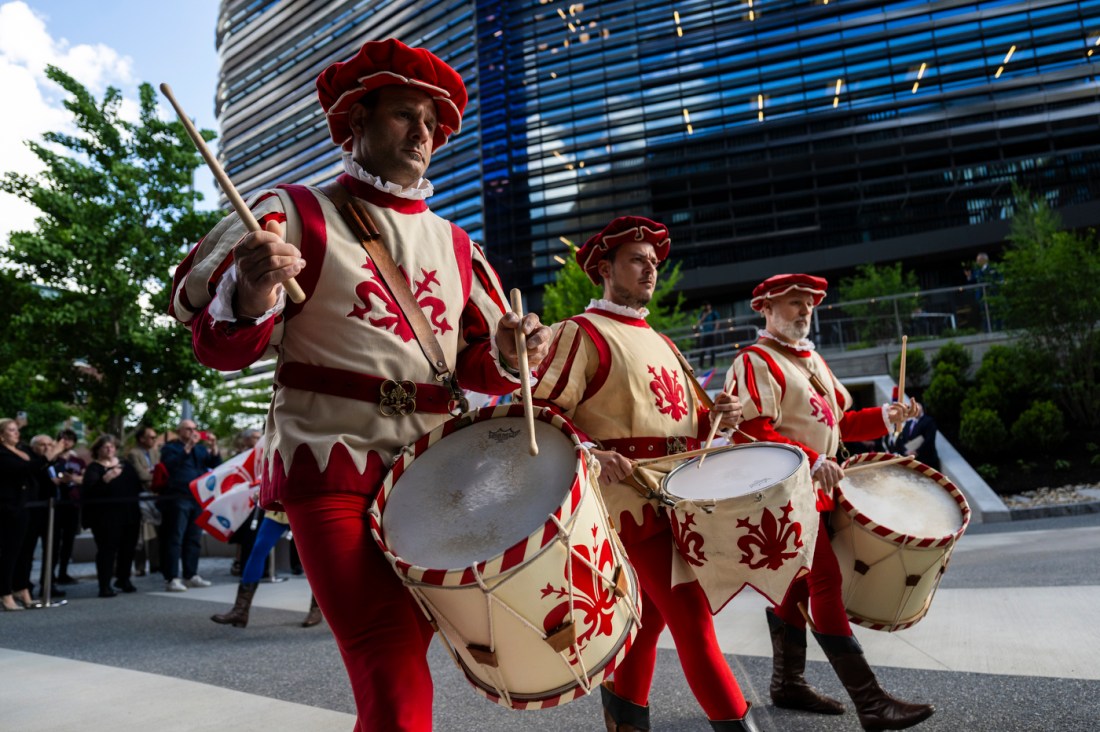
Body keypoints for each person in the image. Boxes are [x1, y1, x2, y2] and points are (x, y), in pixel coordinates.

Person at [167, 38, 550, 731]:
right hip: (328, 459)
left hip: (436, 474)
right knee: (390, 661)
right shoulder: (295, 212)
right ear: (356, 124)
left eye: (433, 124)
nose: (424, 134)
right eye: (406, 115)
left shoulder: (458, 244)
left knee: (403, 667)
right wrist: (251, 294)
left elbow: (478, 369)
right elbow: (217, 343)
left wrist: (508, 349)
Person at [531, 216, 758, 731]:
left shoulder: (662, 340)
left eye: (654, 262)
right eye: (638, 260)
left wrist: (718, 415)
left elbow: (688, 423)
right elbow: (542, 413)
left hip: (677, 496)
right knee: (694, 625)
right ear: (605, 269)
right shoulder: (579, 331)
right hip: (627, 502)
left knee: (650, 623)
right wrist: (589, 449)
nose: (650, 269)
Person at [727, 274, 934, 731]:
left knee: (797, 586)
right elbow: (752, 432)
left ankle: (787, 683)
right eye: (794, 303)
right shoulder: (754, 361)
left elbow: (840, 423)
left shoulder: (812, 359)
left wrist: (886, 415)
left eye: (810, 304)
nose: (804, 311)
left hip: (817, 490)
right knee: (825, 579)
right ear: (765, 308)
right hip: (781, 493)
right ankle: (871, 703)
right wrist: (812, 456)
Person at [211, 510, 321, 628]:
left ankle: (318, 608)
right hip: (278, 508)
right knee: (258, 551)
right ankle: (240, 610)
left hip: (307, 507)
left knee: (317, 558)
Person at [158, 419, 221, 592]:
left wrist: (214, 447)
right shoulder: (170, 448)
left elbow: (215, 465)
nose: (192, 432)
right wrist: (188, 447)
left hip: (197, 497)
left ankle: (190, 574)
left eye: (194, 428)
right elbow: (170, 466)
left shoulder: (200, 449)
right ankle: (172, 577)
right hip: (178, 497)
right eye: (188, 429)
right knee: (175, 538)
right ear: (179, 431)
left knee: (194, 538)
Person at [82, 434, 144, 597]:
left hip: (129, 514)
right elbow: (90, 491)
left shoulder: (126, 466)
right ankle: (105, 585)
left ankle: (123, 579)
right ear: (98, 450)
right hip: (105, 517)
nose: (109, 449)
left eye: (112, 446)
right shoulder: (94, 469)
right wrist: (106, 479)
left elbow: (137, 486)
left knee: (128, 549)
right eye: (105, 447)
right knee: (107, 551)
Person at [14, 434, 66, 601]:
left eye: (49, 444)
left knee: (52, 549)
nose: (47, 447)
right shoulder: (33, 461)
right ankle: (23, 584)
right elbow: (37, 474)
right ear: (34, 446)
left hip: (53, 511)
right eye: (42, 445)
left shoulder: (55, 461)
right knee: (27, 550)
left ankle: (48, 583)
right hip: (34, 510)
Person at [1, 418, 43, 611]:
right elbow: (24, 468)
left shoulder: (24, 450)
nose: (16, 433)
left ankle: (21, 587)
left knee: (26, 551)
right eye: (11, 430)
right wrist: (50, 454)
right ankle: (5, 593)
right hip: (9, 507)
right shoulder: (2, 453)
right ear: (1, 435)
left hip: (28, 505)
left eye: (17, 429)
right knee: (9, 552)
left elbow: (36, 468)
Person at [125, 425, 161, 576]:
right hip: (140, 497)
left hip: (155, 495)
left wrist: (152, 474)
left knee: (156, 531)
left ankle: (156, 564)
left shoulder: (155, 452)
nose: (154, 440)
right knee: (139, 535)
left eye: (154, 437)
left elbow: (161, 472)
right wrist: (152, 474)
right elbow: (141, 475)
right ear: (141, 439)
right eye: (151, 437)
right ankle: (139, 567)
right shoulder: (134, 454)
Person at [50, 428, 85, 585]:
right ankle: (49, 575)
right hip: (55, 504)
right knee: (53, 541)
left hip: (72, 503)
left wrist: (74, 479)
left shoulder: (78, 461)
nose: (67, 442)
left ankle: (63, 572)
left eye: (70, 439)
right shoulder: (53, 458)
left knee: (68, 540)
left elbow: (84, 479)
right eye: (64, 439)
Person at [882, 399, 940, 471]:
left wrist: (917, 452)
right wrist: (905, 451)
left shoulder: (928, 421)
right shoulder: (908, 423)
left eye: (917, 406)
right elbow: (902, 439)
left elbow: (929, 439)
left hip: (926, 460)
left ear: (922, 407)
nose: (915, 409)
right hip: (912, 459)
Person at [696, 301, 720, 368]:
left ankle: (712, 365)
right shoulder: (702, 314)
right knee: (702, 351)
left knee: (712, 350)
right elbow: (698, 323)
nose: (706, 307)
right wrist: (705, 316)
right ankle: (700, 366)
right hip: (704, 334)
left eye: (707, 305)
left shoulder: (714, 313)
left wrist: (715, 331)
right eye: (705, 305)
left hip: (711, 333)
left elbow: (717, 322)